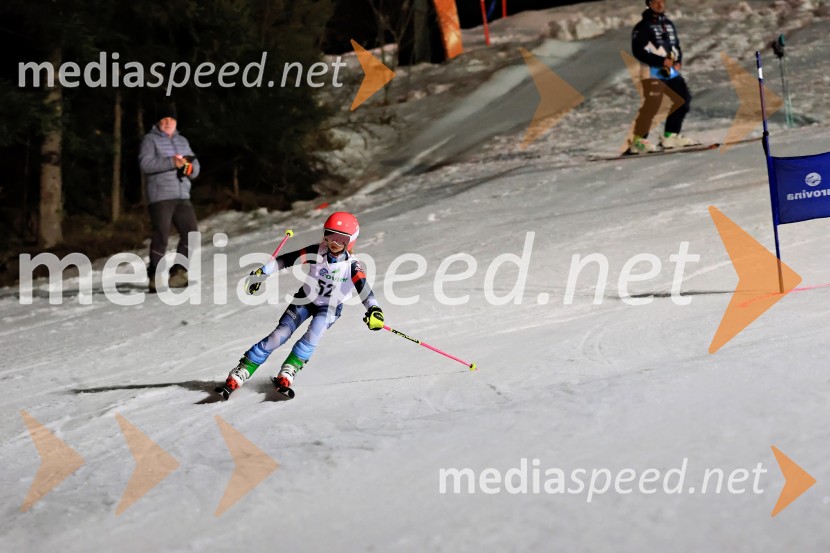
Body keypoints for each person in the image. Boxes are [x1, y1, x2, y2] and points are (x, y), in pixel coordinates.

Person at [219, 212, 384, 396]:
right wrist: (263, 272)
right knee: (279, 334)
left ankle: (290, 369)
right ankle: (243, 369)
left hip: (329, 307)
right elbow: (286, 260)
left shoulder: (352, 265)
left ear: (351, 241)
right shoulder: (317, 252)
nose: (334, 242)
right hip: (304, 300)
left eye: (341, 239)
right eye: (330, 235)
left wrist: (374, 309)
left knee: (314, 333)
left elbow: (364, 288)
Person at [138, 104, 201, 291]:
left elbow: (195, 166)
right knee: (161, 234)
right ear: (158, 122)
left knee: (191, 233)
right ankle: (155, 276)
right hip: (160, 195)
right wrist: (171, 162)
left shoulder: (182, 140)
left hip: (182, 193)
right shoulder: (150, 140)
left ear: (175, 121)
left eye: (170, 120)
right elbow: (145, 164)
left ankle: (179, 273)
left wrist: (189, 169)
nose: (167, 123)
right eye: (164, 120)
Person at [629, 0, 699, 154]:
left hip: (669, 71)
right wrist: (661, 61)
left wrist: (678, 61)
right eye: (656, 2)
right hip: (651, 70)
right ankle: (638, 141)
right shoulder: (643, 27)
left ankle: (670, 136)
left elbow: (676, 46)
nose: (660, 5)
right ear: (649, 4)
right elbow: (638, 51)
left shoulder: (668, 24)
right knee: (652, 105)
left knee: (683, 100)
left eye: (662, 1)